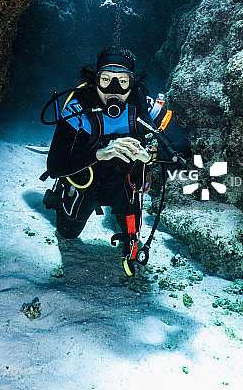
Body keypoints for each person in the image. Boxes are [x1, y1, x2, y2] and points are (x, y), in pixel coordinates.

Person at [40, 47, 191, 274]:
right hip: (85, 184)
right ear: (95, 79)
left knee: (131, 241)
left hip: (126, 187)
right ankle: (65, 195)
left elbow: (183, 148)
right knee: (67, 232)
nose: (114, 90)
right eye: (105, 80)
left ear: (133, 82)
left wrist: (150, 156)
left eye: (122, 81)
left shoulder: (145, 107)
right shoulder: (77, 107)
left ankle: (114, 214)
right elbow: (54, 166)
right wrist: (99, 153)